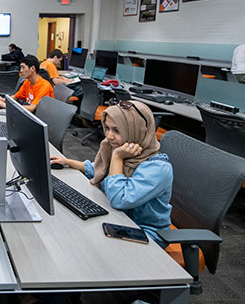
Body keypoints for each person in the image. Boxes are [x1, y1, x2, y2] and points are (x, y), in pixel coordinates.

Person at [51, 99, 173, 248]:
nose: (109, 136)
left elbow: (119, 199)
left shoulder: (157, 169)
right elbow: (99, 170)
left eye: (116, 130)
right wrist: (69, 162)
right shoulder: (121, 149)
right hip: (117, 218)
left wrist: (117, 157)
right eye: (107, 128)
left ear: (136, 130)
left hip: (144, 232)